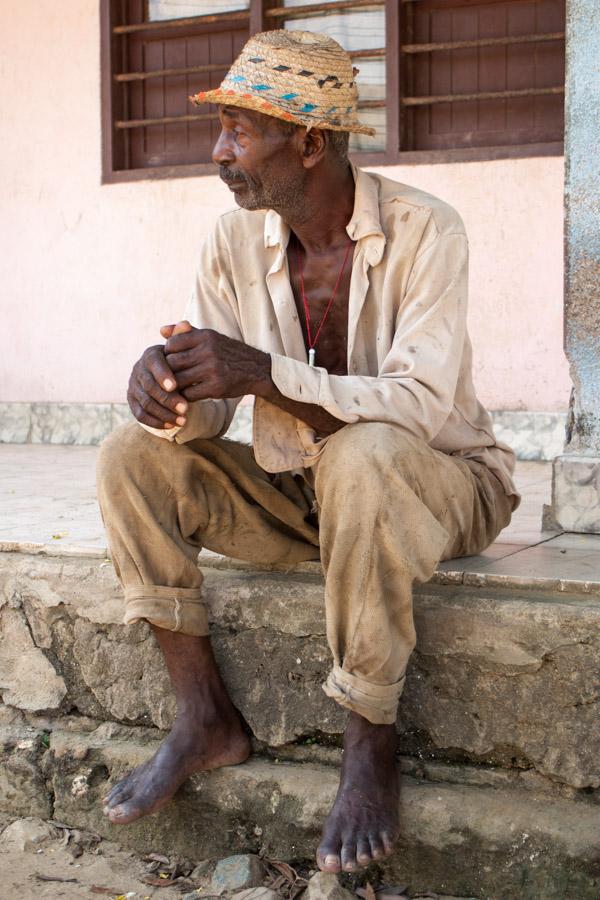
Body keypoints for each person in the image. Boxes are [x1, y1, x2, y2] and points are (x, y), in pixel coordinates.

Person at [96, 29, 519, 874]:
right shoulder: (232, 241)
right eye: (221, 131)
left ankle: (369, 743)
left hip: (444, 485)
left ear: (312, 143)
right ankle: (203, 717)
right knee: (127, 454)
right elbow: (218, 416)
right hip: (306, 495)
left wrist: (264, 374)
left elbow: (421, 407)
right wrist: (173, 394)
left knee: (361, 454)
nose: (220, 154)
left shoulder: (427, 230)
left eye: (240, 133)